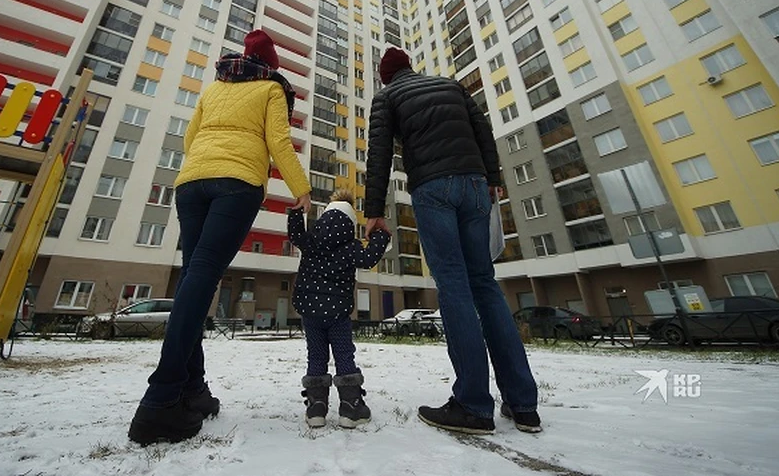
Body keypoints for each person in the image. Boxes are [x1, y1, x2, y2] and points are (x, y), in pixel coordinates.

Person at [129, 29, 312, 446]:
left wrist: (205, 162)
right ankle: (159, 401)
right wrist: (301, 188)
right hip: (237, 182)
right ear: (271, 65)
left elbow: (189, 138)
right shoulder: (270, 89)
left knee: (193, 277)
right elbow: (277, 140)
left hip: (191, 182)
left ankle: (192, 391)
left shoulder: (215, 89)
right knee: (203, 277)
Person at [364, 47, 541, 435]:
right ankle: (523, 404)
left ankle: (473, 406)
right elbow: (483, 130)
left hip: (434, 189)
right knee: (485, 284)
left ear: (385, 76)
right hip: (476, 185)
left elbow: (378, 153)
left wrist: (373, 209)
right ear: (411, 67)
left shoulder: (388, 96)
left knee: (454, 287)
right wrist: (492, 178)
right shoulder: (450, 85)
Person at [288, 189, 390, 429]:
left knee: (316, 356)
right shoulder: (350, 246)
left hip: (310, 311)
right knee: (344, 355)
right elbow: (368, 259)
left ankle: (316, 407)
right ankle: (351, 407)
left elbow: (295, 235)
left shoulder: (311, 239)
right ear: (350, 223)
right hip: (337, 313)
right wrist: (380, 236)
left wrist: (296, 213)